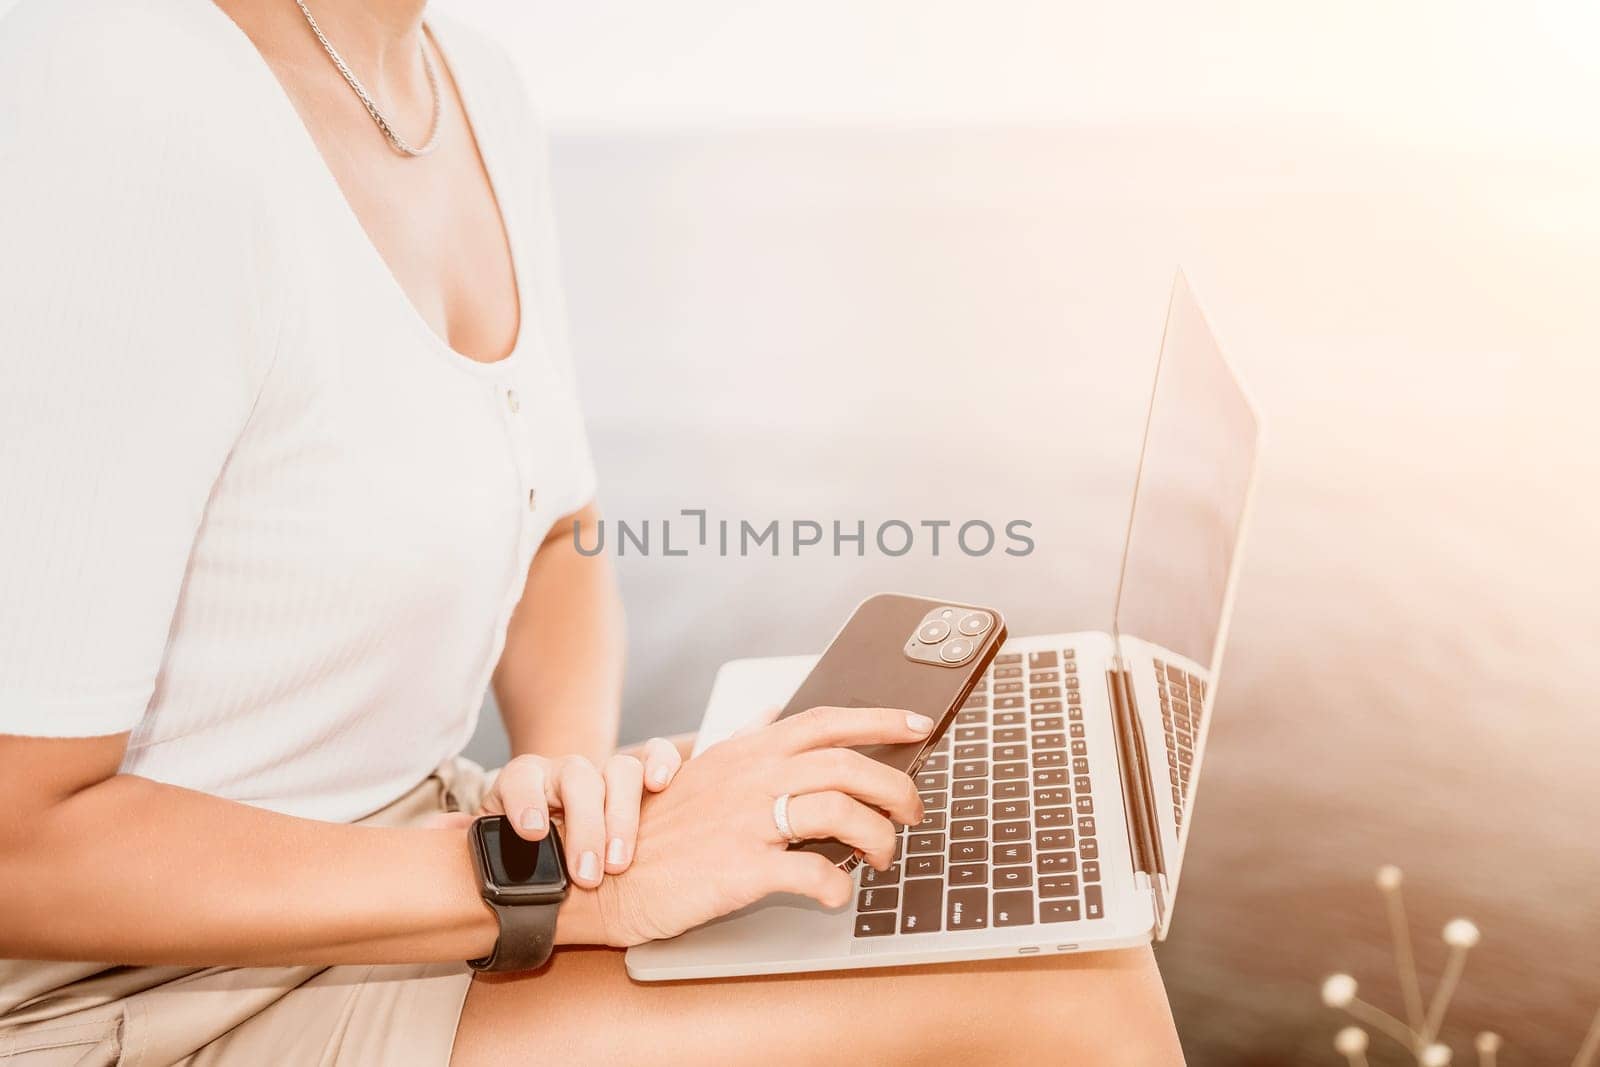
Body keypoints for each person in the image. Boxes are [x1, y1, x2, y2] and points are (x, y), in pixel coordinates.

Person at [0, 1, 1183, 1062]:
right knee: (1064, 995)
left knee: (1009, 903)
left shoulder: (470, 83)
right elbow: (17, 843)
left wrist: (573, 780)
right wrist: (555, 884)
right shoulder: (123, 96)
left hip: (415, 854)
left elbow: (555, 523)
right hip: (140, 994)